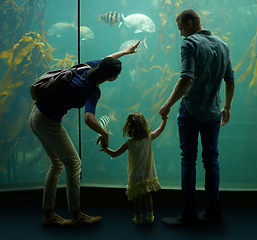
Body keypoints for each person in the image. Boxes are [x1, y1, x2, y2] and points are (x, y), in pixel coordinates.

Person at [29, 41, 140, 226]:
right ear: (112, 78)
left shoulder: (86, 67)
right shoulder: (92, 90)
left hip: (37, 115)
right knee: (74, 164)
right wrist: (105, 133)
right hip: (47, 123)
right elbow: (89, 118)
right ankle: (77, 214)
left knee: (57, 164)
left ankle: (49, 214)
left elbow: (108, 59)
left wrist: (126, 52)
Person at [159, 9, 235, 225]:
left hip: (191, 111)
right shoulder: (223, 44)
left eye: (181, 28)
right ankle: (213, 211)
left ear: (190, 23)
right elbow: (230, 79)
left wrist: (167, 105)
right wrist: (227, 107)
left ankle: (188, 214)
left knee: (188, 160)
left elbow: (186, 78)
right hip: (213, 112)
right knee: (211, 160)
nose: (181, 34)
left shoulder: (189, 43)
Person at [99, 112, 167, 225]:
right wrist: (164, 119)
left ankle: (138, 217)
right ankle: (150, 215)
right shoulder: (149, 138)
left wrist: (104, 148)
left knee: (137, 197)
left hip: (135, 175)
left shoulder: (129, 143)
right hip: (148, 174)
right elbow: (160, 129)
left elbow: (115, 154)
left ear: (129, 128)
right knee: (148, 195)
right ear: (144, 125)